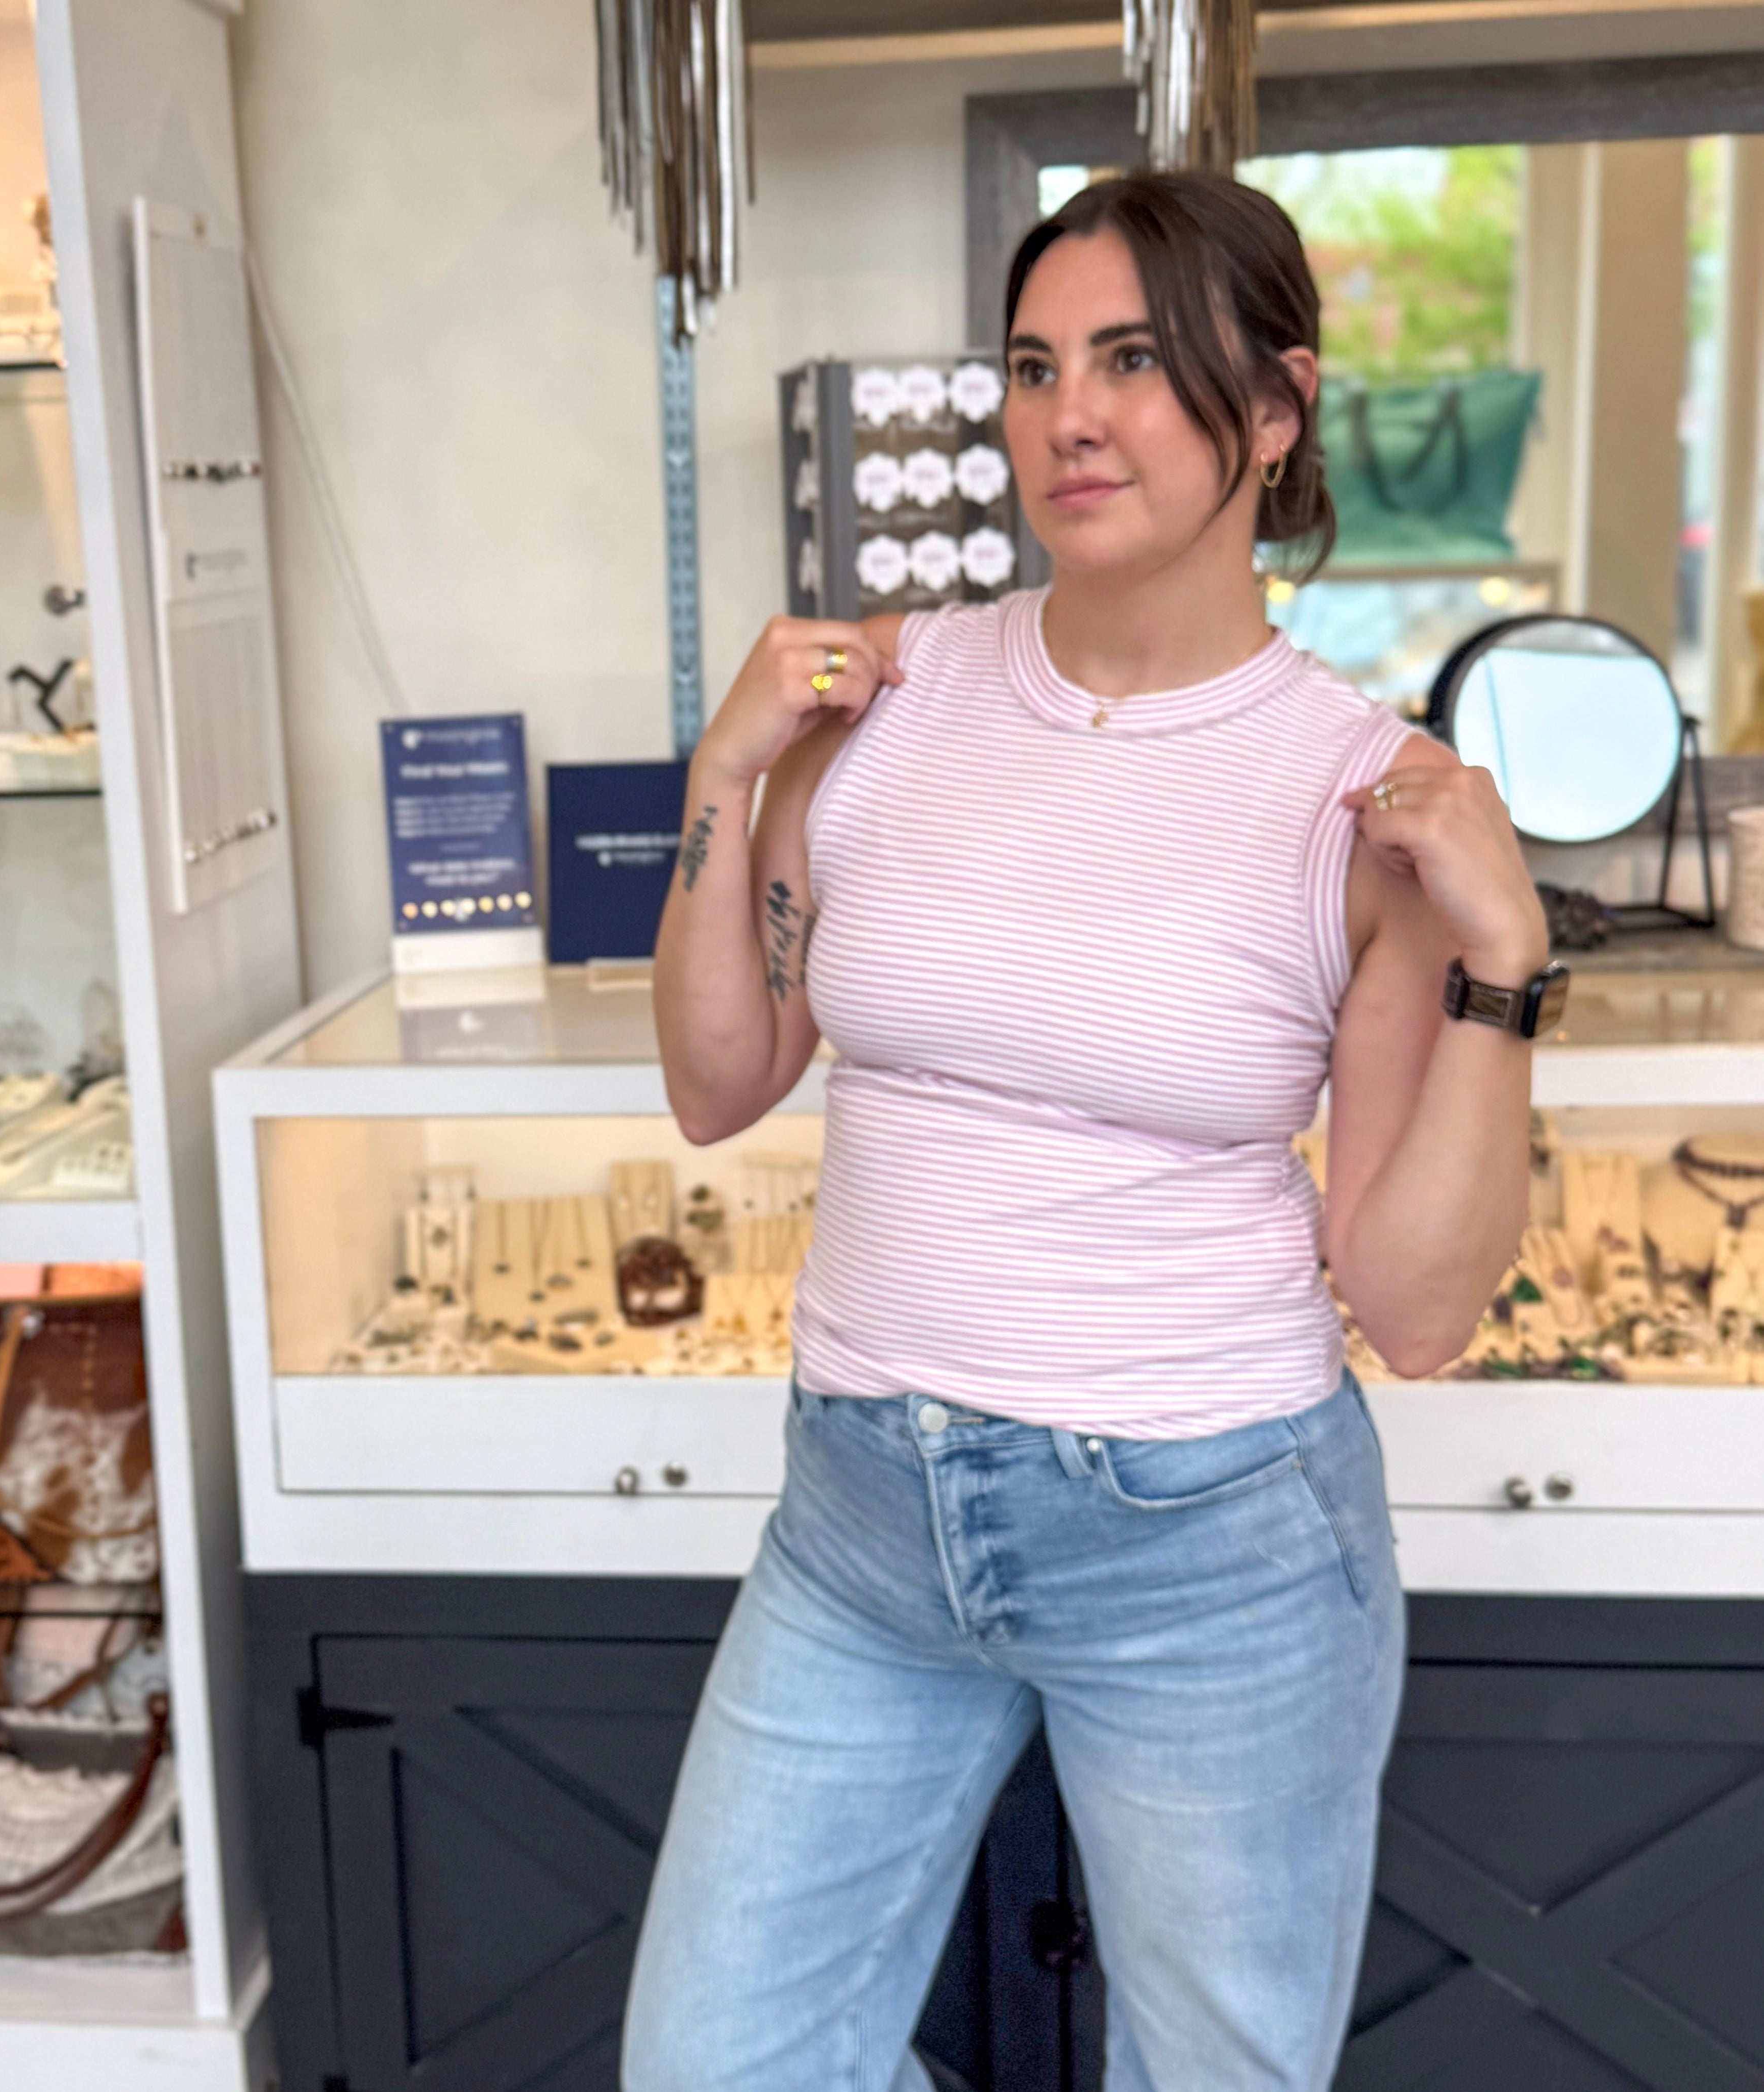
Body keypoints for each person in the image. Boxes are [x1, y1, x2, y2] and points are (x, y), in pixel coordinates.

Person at [623, 169, 1554, 2092]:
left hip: (1209, 1538)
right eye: (1036, 365)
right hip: (862, 1515)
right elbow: (718, 1080)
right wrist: (725, 765)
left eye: (1133, 361)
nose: (1070, 415)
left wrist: (1504, 962)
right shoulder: (887, 695)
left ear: (1274, 406)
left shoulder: (1353, 796)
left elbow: (1411, 1304)